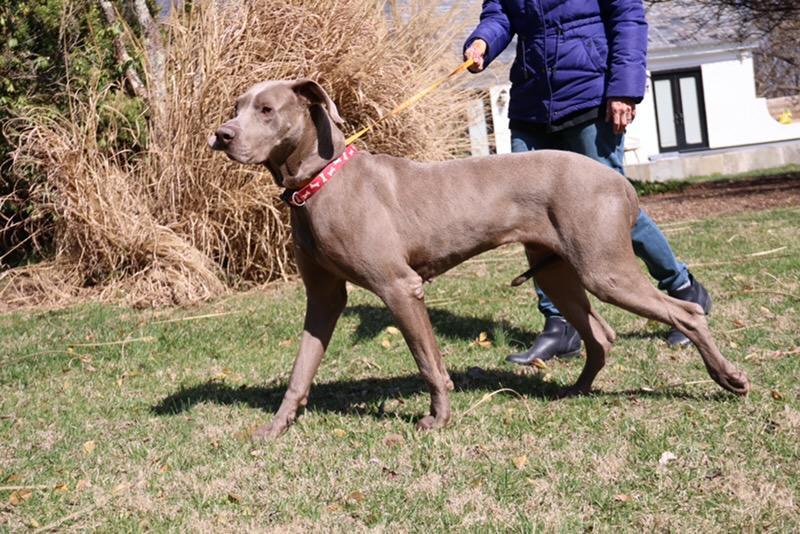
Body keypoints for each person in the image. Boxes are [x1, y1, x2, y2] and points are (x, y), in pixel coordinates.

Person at [463, 0, 712, 364]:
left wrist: (623, 90)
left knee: (610, 212)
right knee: (533, 218)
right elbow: (500, 14)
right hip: (532, 105)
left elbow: (627, 17)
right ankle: (561, 323)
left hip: (590, 98)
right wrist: (483, 40)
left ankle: (683, 288)